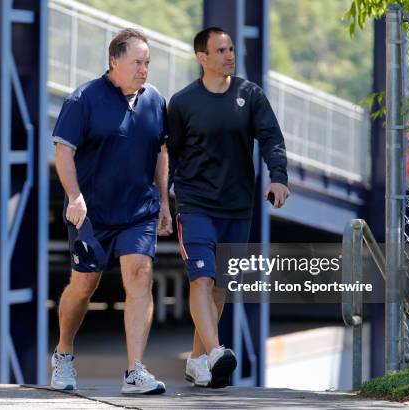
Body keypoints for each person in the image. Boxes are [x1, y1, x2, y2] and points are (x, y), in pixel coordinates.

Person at [50, 28, 172, 395]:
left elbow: (161, 152)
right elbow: (63, 152)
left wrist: (165, 201)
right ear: (114, 61)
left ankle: (135, 370)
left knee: (139, 273)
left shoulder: (155, 101)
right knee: (84, 284)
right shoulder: (83, 100)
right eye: (137, 62)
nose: (144, 69)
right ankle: (64, 353)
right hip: (90, 213)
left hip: (139, 210)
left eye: (147, 62)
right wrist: (74, 196)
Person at [167, 27, 290, 388]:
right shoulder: (183, 102)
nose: (229, 56)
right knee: (201, 278)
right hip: (195, 204)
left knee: (219, 287)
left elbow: (271, 138)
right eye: (220, 50)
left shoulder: (250, 95)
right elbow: (169, 155)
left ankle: (195, 360)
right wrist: (162, 201)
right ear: (201, 57)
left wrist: (278, 176)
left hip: (238, 207)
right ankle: (217, 351)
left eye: (231, 49)